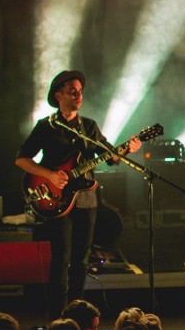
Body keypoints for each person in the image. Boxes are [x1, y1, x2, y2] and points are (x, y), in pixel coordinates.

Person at [15, 70, 141, 316]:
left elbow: (110, 156)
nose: (78, 94)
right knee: (61, 258)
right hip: (57, 199)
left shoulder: (88, 127)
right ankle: (57, 316)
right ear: (58, 95)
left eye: (80, 90)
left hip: (85, 199)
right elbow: (21, 159)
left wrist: (126, 149)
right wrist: (50, 175)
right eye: (72, 90)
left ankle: (76, 314)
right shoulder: (46, 126)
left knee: (81, 260)